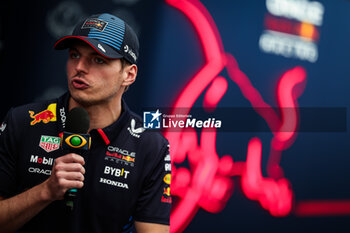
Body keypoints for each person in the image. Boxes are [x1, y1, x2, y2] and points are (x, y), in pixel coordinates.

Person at [0, 13, 171, 233]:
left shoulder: (150, 147)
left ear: (129, 75)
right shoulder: (22, 121)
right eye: (74, 55)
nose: (79, 66)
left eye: (98, 59)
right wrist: (45, 191)